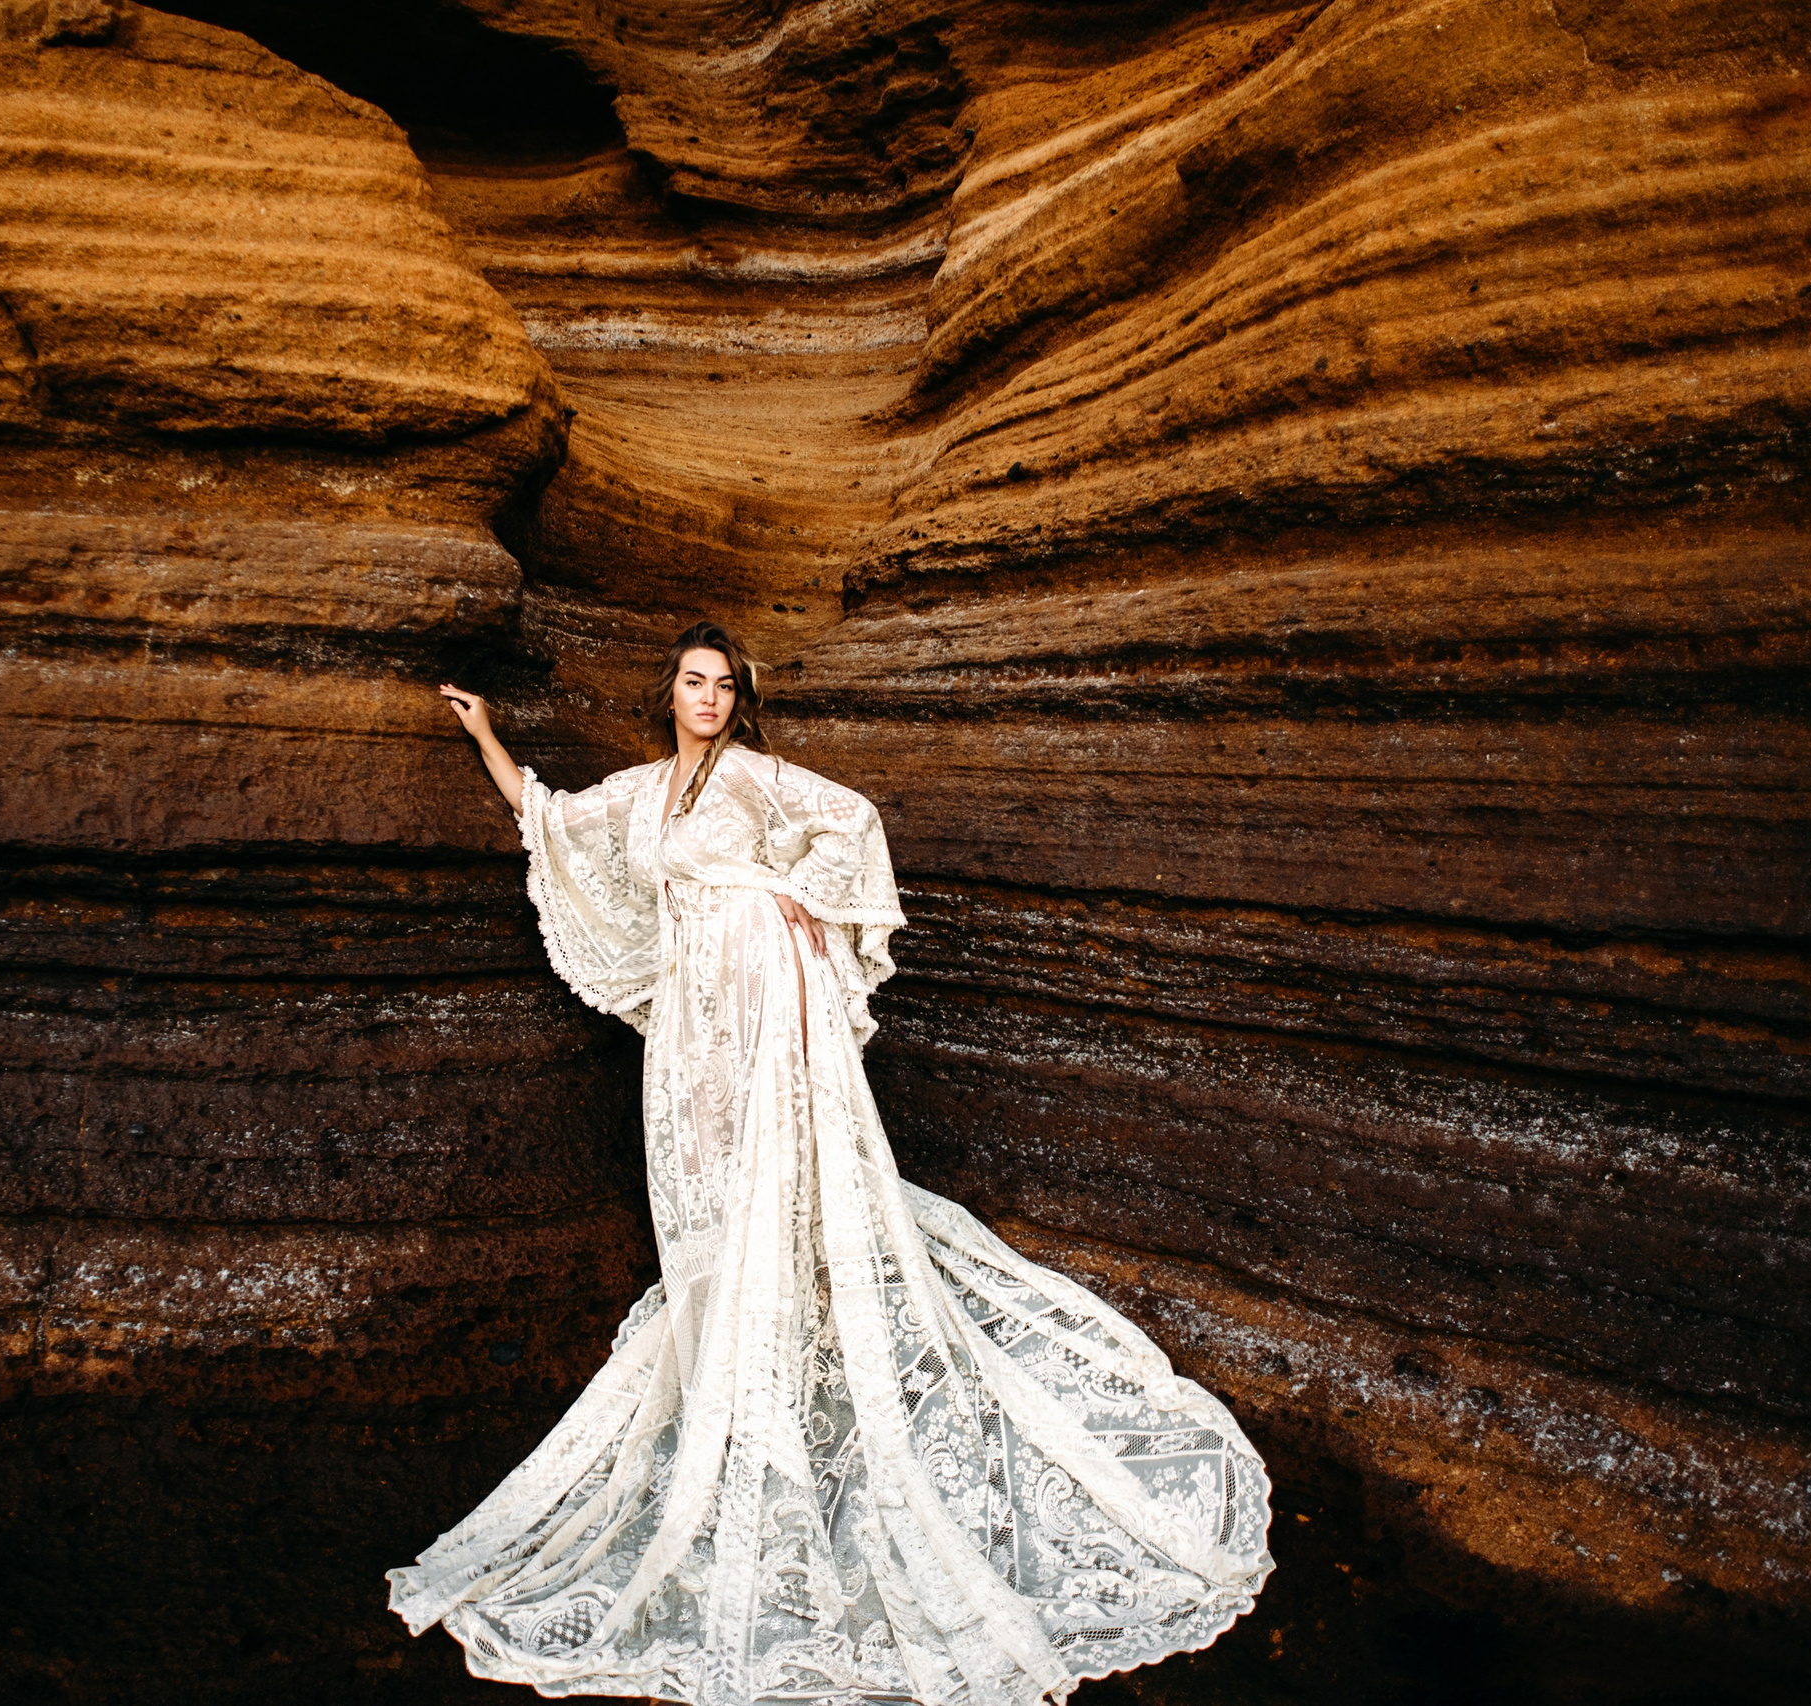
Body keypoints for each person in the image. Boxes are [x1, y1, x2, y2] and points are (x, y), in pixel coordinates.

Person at [389, 621, 1272, 1704]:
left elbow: (852, 819)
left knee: (777, 1165)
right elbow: (551, 820)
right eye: (692, 682)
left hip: (767, 988)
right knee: (701, 1170)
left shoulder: (758, 774)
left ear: (738, 700)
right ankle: (740, 1344)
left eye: (723, 686)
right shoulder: (640, 789)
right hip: (693, 1018)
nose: (707, 698)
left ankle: (790, 1367)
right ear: (668, 692)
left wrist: (802, 895)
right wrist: (486, 734)